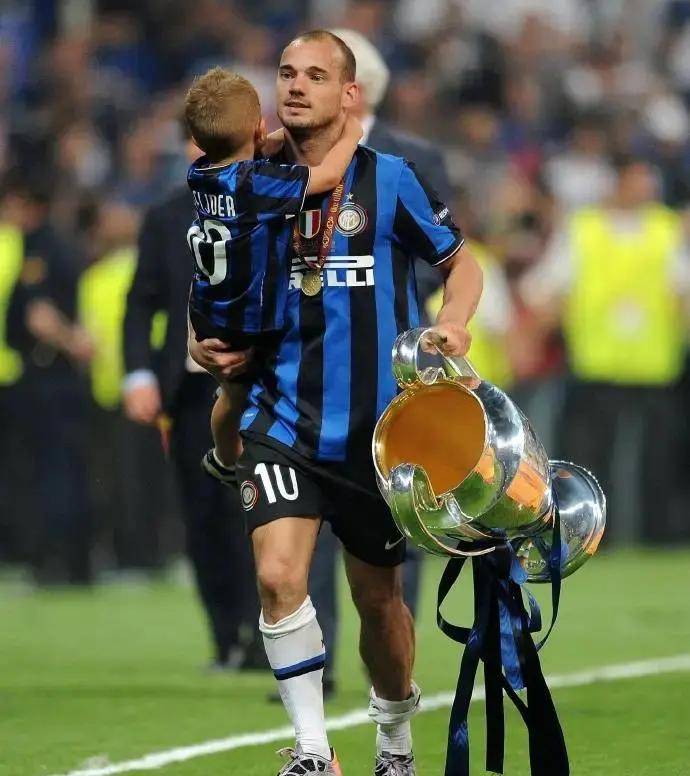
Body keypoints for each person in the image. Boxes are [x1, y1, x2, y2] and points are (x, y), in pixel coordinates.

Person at [189, 30, 482, 776]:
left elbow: (461, 263)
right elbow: (211, 278)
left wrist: (454, 322)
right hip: (281, 418)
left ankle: (395, 742)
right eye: (287, 72)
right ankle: (313, 751)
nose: (296, 85)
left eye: (316, 75)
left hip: (376, 435)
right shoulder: (248, 178)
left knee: (379, 602)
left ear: (350, 94)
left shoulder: (391, 178)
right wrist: (201, 342)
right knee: (278, 576)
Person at [123, 130, 260, 670]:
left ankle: (264, 632)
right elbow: (141, 302)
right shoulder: (165, 217)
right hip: (190, 391)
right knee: (202, 516)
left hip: (258, 387)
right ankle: (226, 637)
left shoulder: (270, 203)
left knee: (257, 510)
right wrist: (139, 374)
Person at [184, 67, 362, 475]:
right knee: (245, 393)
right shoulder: (257, 183)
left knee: (230, 395)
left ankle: (225, 458)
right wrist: (350, 134)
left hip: (210, 310)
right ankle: (236, 460)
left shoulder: (200, 174)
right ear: (260, 128)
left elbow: (253, 148)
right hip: (250, 318)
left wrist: (263, 138)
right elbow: (328, 176)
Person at [522, 155, 690, 544]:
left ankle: (658, 540)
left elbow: (682, 293)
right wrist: (530, 340)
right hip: (596, 365)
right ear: (618, 182)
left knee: (659, 462)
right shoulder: (584, 230)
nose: (646, 189)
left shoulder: (667, 231)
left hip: (654, 367)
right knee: (591, 463)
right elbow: (552, 289)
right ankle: (594, 537)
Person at [5, 172, 94, 585]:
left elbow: (39, 317)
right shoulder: (59, 244)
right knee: (67, 468)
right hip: (60, 377)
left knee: (53, 471)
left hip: (49, 375)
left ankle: (56, 563)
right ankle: (74, 562)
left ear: (28, 204)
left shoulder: (39, 248)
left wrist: (72, 343)